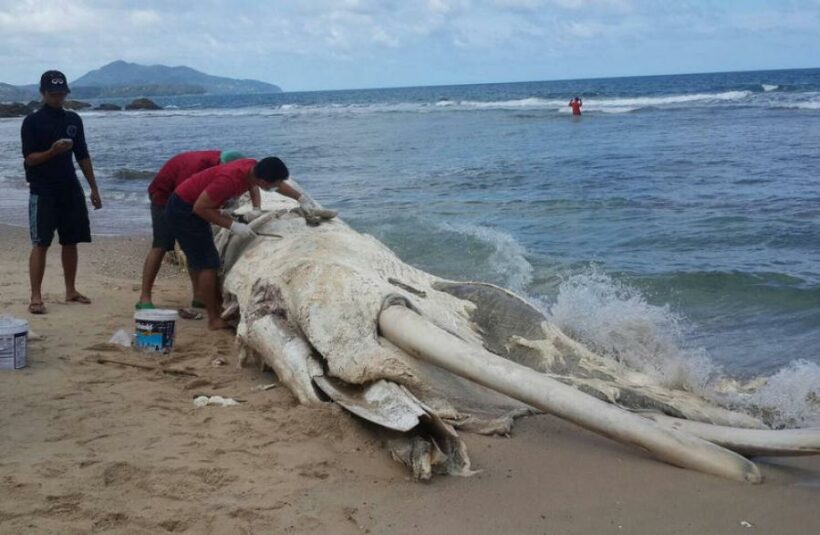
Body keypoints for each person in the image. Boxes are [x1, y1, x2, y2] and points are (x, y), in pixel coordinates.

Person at [165, 157, 308, 329]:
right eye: (272, 185)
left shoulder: (253, 168)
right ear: (263, 180)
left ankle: (205, 302)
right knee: (208, 263)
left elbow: (261, 185)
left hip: (196, 202)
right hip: (184, 210)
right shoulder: (229, 180)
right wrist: (233, 226)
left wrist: (299, 199)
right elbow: (200, 208)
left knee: (202, 257)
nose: (275, 188)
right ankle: (213, 319)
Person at [20, 70, 102, 315]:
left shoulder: (74, 119)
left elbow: (83, 155)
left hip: (70, 188)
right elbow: (30, 159)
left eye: (62, 93)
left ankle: (71, 290)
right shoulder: (32, 121)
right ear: (43, 93)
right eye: (53, 94)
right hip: (43, 189)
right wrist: (52, 152)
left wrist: (94, 189)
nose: (58, 98)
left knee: (71, 240)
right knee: (41, 242)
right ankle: (36, 296)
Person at [137, 149, 245, 310]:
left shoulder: (231, 163)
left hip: (190, 201)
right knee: (161, 245)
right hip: (165, 197)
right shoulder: (196, 166)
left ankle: (199, 296)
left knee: (193, 247)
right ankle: (144, 297)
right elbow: (182, 198)